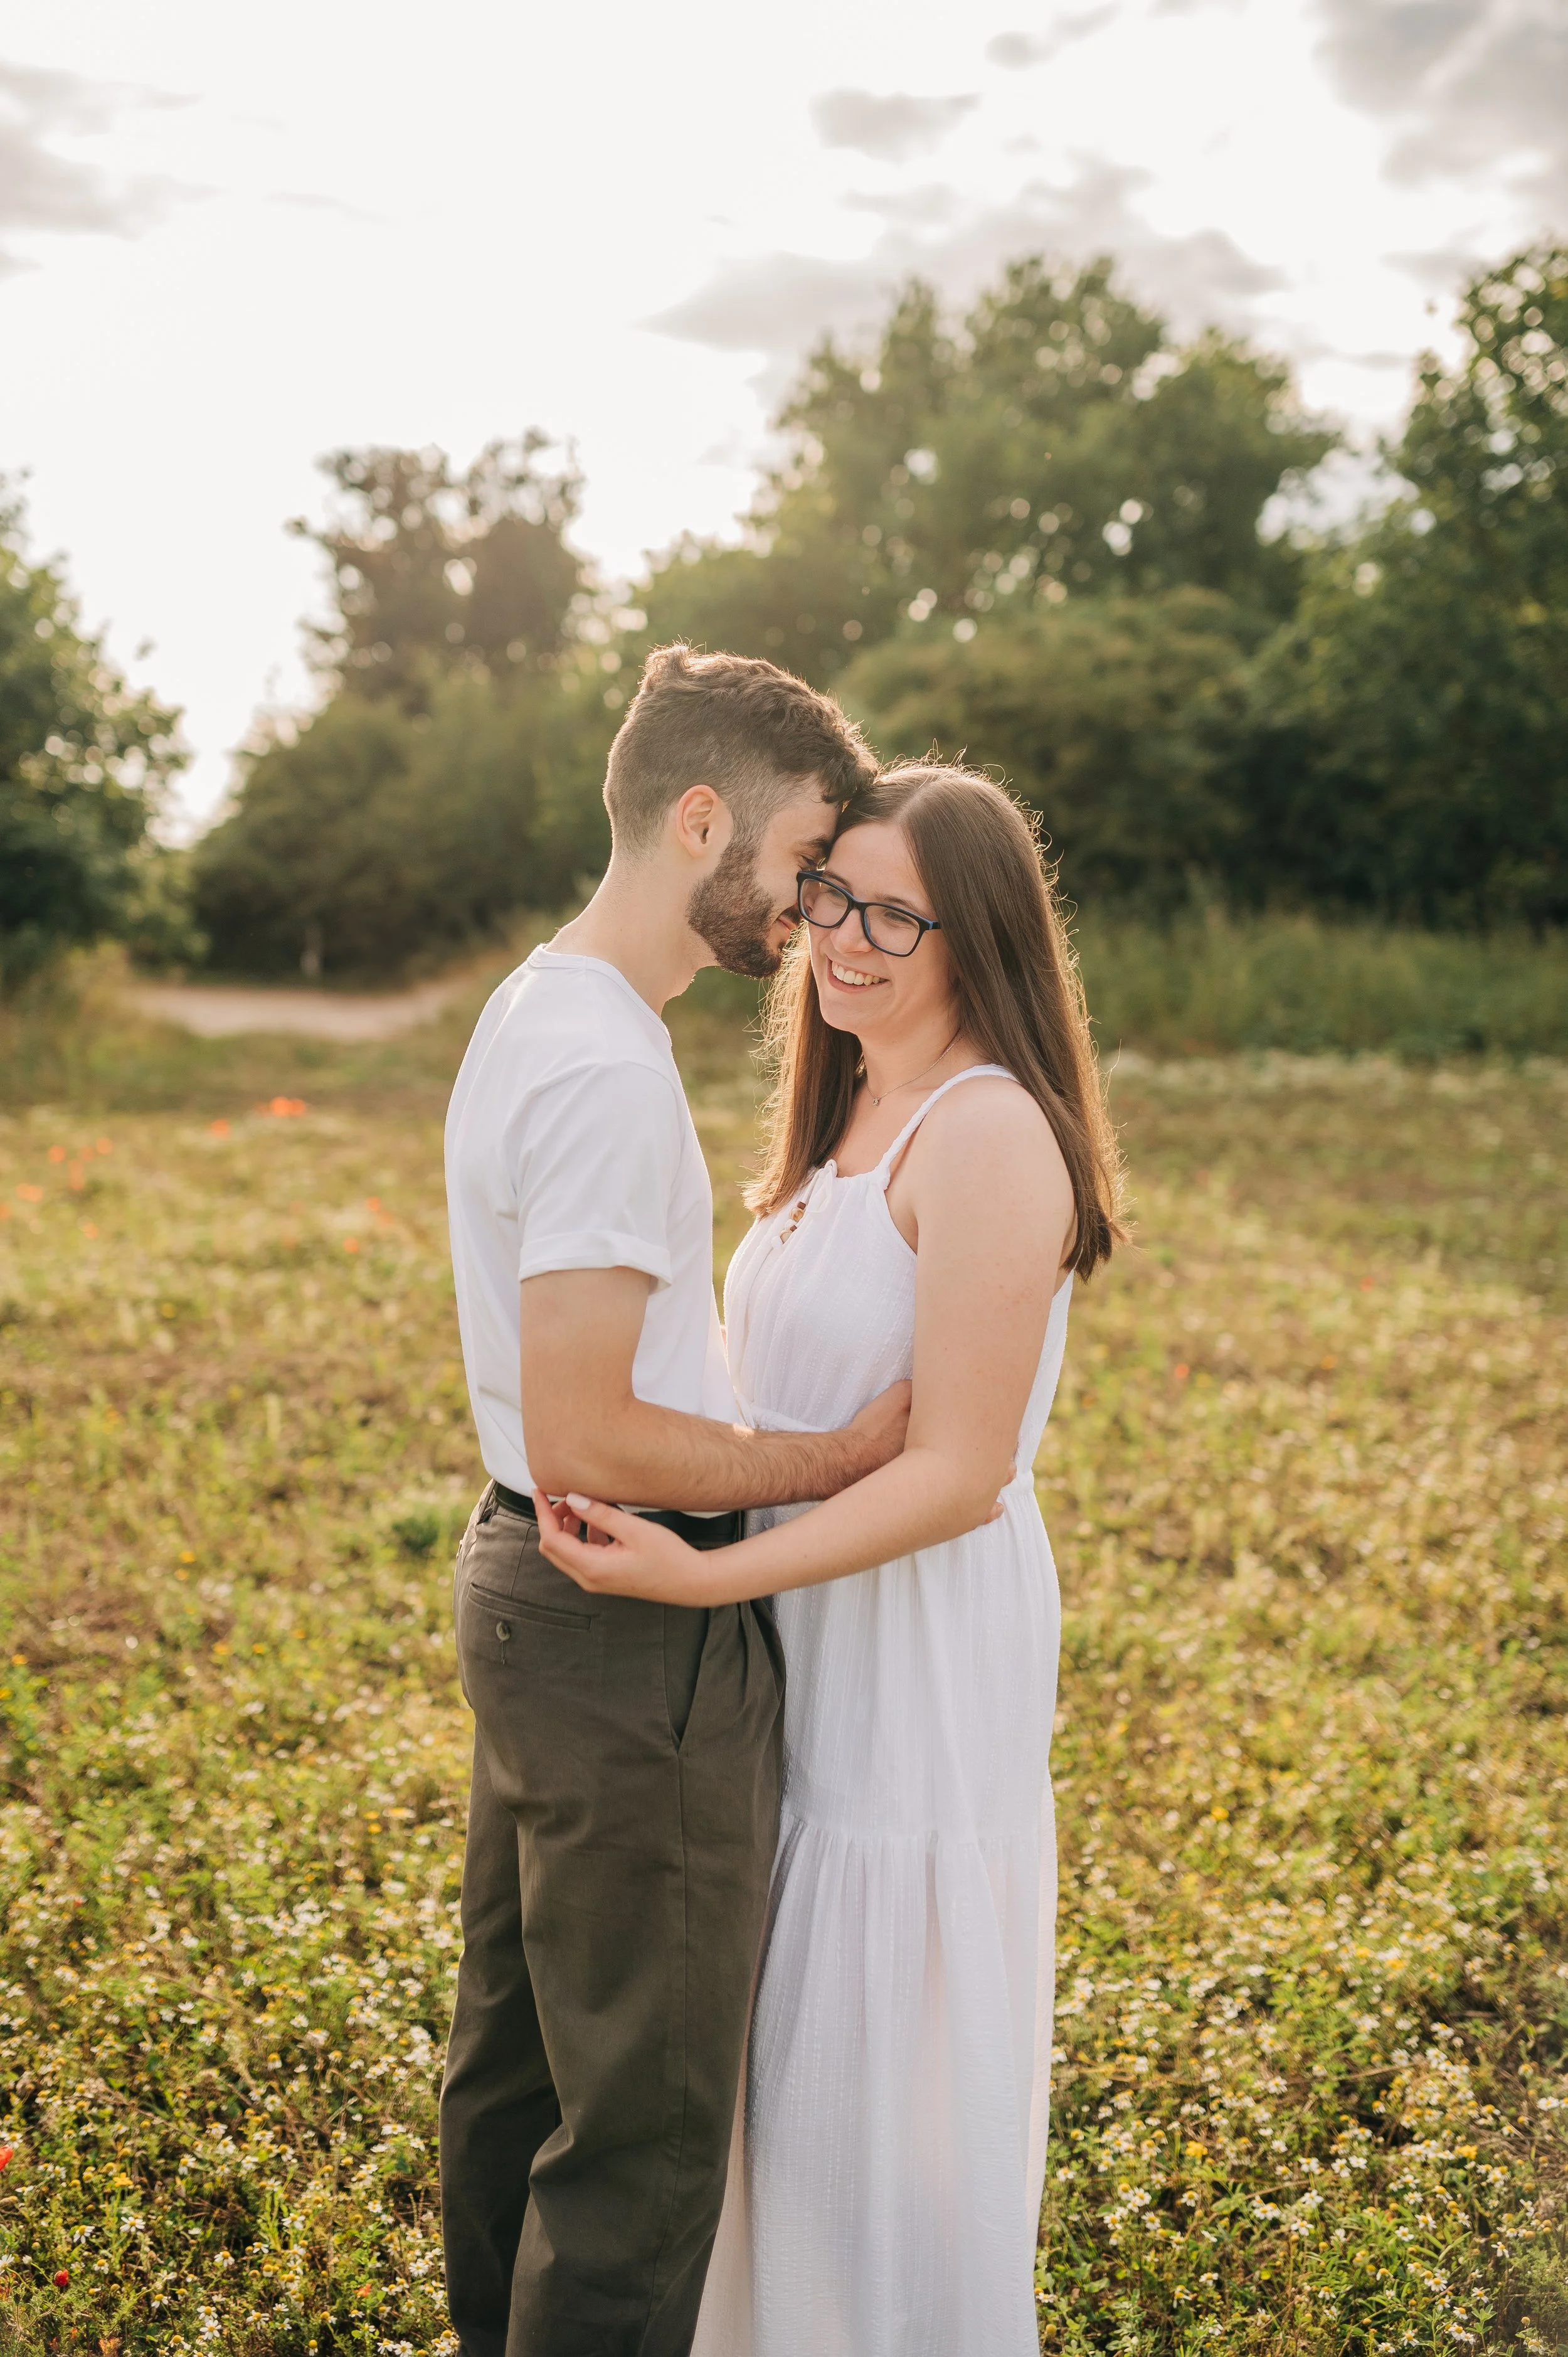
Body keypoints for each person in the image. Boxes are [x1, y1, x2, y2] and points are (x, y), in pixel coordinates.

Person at [535, 762, 1125, 2357]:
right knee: (783, 2071)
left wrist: (705, 1576)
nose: (843, 941)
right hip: (804, 1644)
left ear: (977, 932)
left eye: (892, 913)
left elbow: (960, 1471)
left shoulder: (988, 1131)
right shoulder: (840, 1106)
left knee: (876, 2073)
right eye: (827, 899)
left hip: (913, 1647)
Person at [440, 644, 914, 2357]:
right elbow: (593, 1429)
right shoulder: (606, 1070)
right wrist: (840, 1452)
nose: (803, 913)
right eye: (797, 864)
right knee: (636, 2141)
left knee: (517, 2071)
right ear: (697, 816)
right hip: (622, 1620)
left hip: (533, 1588)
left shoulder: (538, 1006)